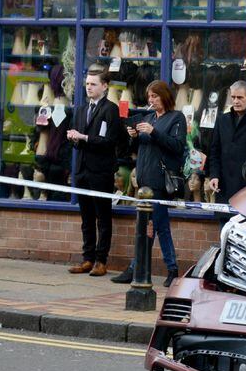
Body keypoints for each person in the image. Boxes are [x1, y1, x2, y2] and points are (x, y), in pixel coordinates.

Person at [112, 80, 186, 287]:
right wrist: (134, 136)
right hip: (144, 181)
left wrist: (153, 132)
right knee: (152, 226)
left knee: (156, 226)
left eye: (155, 96)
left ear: (165, 96)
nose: (151, 100)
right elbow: (138, 148)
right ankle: (163, 269)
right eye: (149, 96)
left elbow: (177, 146)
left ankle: (143, 268)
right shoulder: (148, 116)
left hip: (160, 181)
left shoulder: (175, 118)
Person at [66, 70, 125, 276]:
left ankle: (101, 260)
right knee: (86, 217)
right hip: (82, 170)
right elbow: (78, 142)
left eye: (93, 84)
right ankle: (87, 258)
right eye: (87, 84)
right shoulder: (81, 110)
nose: (89, 87)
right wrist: (74, 138)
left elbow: (109, 142)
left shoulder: (111, 110)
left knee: (103, 217)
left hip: (101, 171)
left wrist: (83, 137)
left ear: (104, 86)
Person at [205, 80, 246, 227]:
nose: (236, 101)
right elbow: (214, 150)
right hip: (224, 185)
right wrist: (214, 175)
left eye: (240, 98)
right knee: (224, 231)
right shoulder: (222, 119)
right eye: (233, 97)